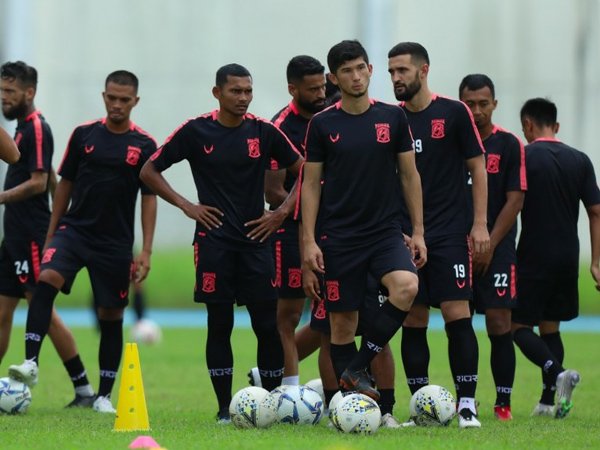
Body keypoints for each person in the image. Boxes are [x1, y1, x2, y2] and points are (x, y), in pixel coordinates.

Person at [140, 63, 304, 424]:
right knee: (219, 324)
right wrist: (187, 205)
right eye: (236, 91)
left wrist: (280, 213)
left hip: (257, 240)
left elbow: (305, 170)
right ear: (217, 93)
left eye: (248, 91)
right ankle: (223, 408)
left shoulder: (264, 131)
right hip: (213, 243)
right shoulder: (196, 130)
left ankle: (272, 405)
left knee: (267, 324)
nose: (243, 98)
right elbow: (148, 170)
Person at [8, 70, 157, 414]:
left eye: (124, 99)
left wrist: (146, 250)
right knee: (45, 281)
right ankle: (30, 360)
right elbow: (63, 185)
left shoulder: (145, 145)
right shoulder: (84, 135)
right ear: (104, 96)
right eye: (111, 97)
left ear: (135, 101)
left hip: (115, 243)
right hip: (74, 231)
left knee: (111, 316)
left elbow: (149, 197)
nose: (117, 104)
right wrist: (51, 234)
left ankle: (103, 395)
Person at [302, 40, 425, 407]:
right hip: (339, 236)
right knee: (342, 325)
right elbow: (310, 185)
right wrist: (308, 241)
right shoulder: (323, 125)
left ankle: (357, 367)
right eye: (346, 72)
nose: (356, 77)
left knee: (406, 286)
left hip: (385, 232)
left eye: (361, 68)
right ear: (333, 79)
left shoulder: (393, 117)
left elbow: (409, 175)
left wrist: (418, 231)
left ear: (370, 69)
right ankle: (353, 408)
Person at [387, 42, 489, 428]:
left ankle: (466, 405)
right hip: (406, 236)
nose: (396, 78)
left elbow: (477, 168)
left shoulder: (454, 112)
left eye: (402, 71)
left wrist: (479, 224)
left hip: (448, 233)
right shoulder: (392, 119)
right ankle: (421, 404)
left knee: (455, 312)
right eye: (392, 71)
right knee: (413, 318)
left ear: (423, 70)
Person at [0, 61, 96, 407]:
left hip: (31, 234)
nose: (4, 98)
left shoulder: (37, 128)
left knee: (42, 308)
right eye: (1, 92)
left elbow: (39, 181)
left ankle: (84, 388)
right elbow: (53, 181)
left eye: (10, 92)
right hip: (13, 237)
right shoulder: (20, 129)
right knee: (2, 311)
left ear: (30, 92)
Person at [511, 97, 600, 419]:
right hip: (568, 255)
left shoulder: (524, 156)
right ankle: (549, 401)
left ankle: (558, 371)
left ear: (528, 126)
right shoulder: (581, 160)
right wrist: (596, 261)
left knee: (516, 326)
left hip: (534, 253)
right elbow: (596, 212)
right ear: (557, 126)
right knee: (550, 328)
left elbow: (512, 205)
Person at [459, 74, 527, 421]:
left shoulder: (509, 144)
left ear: (494, 104)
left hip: (497, 247)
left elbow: (515, 198)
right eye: (469, 104)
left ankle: (503, 403)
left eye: (483, 103)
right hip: (456, 246)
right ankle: (464, 400)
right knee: (460, 321)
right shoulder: (451, 142)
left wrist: (488, 242)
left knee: (500, 322)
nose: (476, 111)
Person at [266, 55, 327, 389]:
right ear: (293, 89)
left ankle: (269, 374)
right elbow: (274, 191)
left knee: (340, 314)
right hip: (292, 231)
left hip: (340, 229)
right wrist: (310, 209)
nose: (321, 94)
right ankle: (288, 392)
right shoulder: (281, 128)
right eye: (312, 89)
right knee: (287, 317)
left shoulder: (335, 110)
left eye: (322, 86)